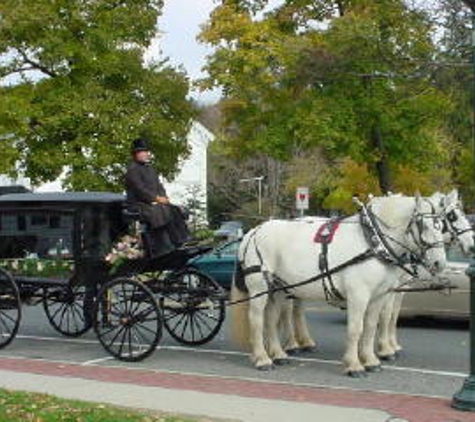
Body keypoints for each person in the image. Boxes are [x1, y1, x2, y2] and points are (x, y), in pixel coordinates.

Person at [125, 137, 190, 257]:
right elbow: (140, 190)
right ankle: (163, 246)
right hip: (138, 204)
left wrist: (164, 198)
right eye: (141, 152)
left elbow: (159, 186)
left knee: (173, 209)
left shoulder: (150, 168)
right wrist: (156, 199)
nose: (145, 154)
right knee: (158, 211)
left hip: (154, 202)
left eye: (145, 151)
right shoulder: (132, 170)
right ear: (135, 154)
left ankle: (182, 239)